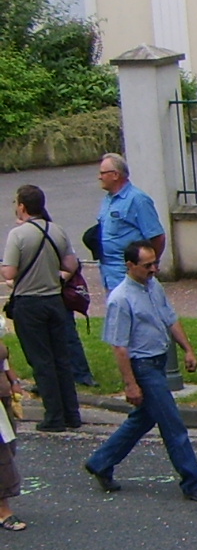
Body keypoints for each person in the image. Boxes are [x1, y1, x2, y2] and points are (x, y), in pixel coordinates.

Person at [83, 241, 197, 502]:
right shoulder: (121, 299)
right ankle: (193, 482)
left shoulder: (153, 286)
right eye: (147, 265)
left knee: (143, 419)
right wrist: (130, 384)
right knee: (173, 425)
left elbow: (171, 319)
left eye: (155, 263)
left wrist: (188, 349)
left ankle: (101, 461)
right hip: (143, 367)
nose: (154, 269)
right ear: (130, 265)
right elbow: (120, 347)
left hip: (157, 362)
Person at [2, 184, 84, 431]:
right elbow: (70, 264)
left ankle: (54, 417)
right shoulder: (56, 230)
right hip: (55, 301)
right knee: (61, 358)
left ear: (22, 206)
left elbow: (9, 271)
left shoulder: (18, 235)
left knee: (42, 360)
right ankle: (73, 413)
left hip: (30, 303)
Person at [95, 153, 166, 298]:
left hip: (128, 274)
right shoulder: (108, 199)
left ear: (115, 175)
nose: (99, 177)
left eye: (102, 173)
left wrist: (150, 265)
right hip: (110, 273)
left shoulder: (138, 200)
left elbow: (157, 237)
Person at [0, 347, 25, 529]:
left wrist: (13, 380)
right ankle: (3, 510)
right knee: (2, 454)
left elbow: (3, 356)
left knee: (9, 447)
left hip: (3, 396)